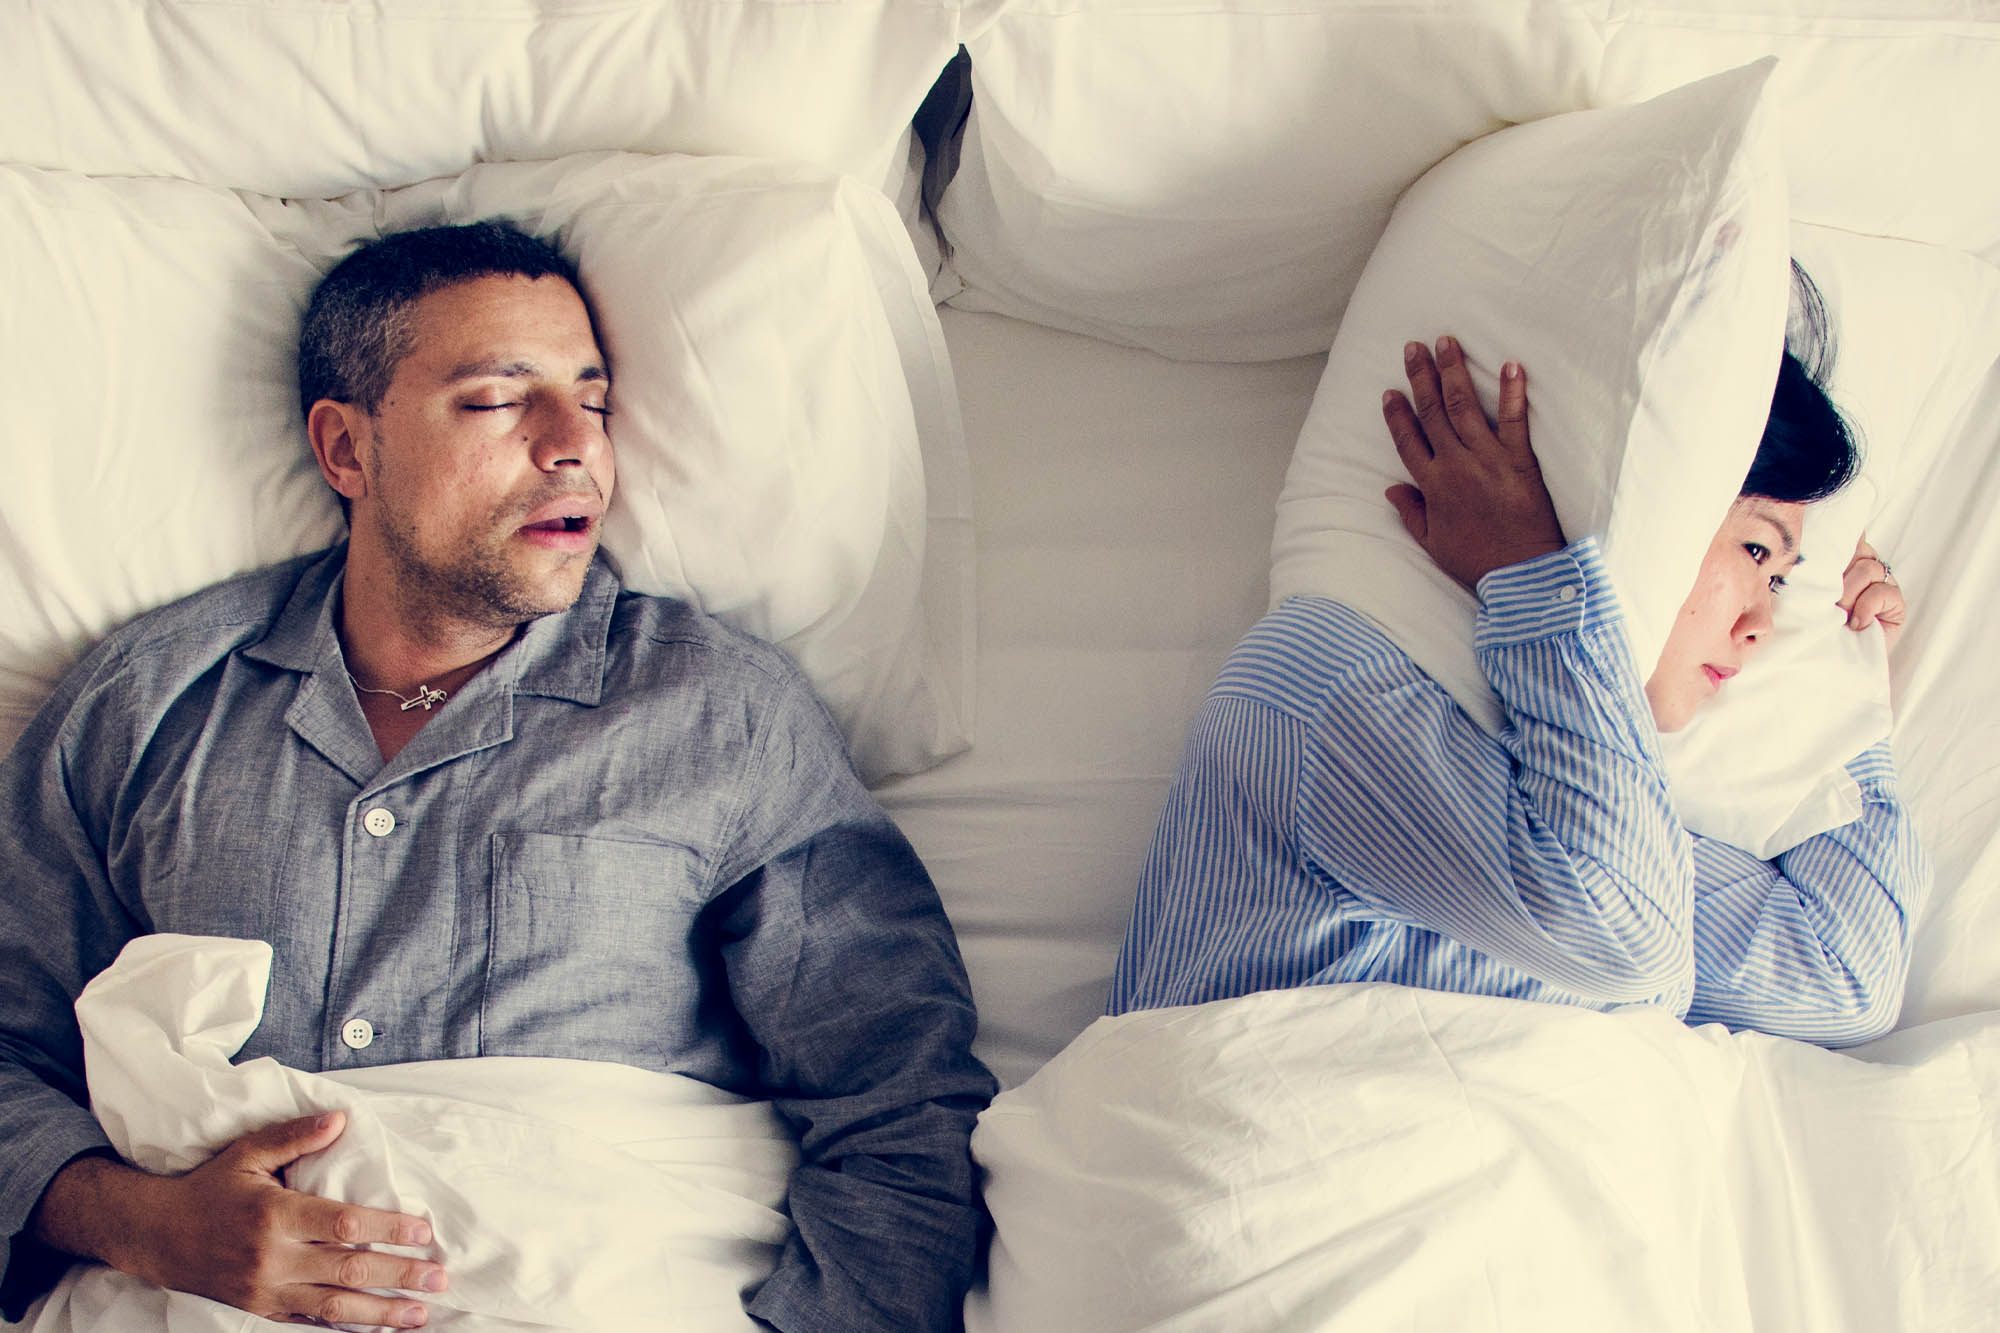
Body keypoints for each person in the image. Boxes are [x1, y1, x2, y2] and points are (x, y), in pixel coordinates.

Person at [0, 222, 997, 1332]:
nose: (574, 445)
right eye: (493, 401)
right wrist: (145, 1223)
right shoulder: (150, 707)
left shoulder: (720, 715)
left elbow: (900, 1101)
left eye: (594, 400)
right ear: (347, 450)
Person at [1109, 293, 1926, 1048]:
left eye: (1783, 580)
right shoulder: (1325, 687)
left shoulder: (1589, 792)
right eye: (1755, 550)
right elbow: (1628, 940)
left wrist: (1844, 660)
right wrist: (1530, 571)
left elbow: (1844, 974)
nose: (1763, 626)